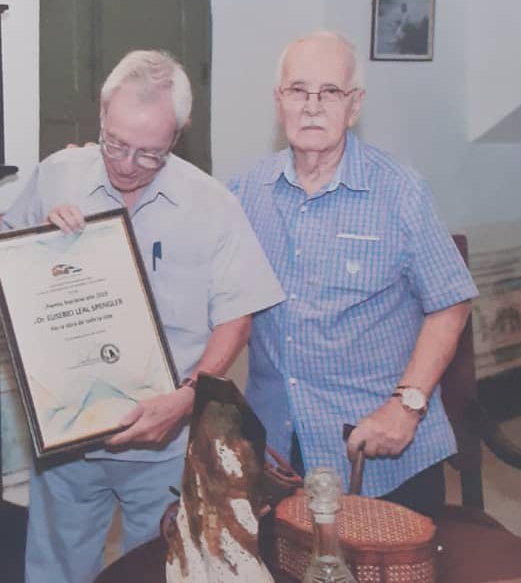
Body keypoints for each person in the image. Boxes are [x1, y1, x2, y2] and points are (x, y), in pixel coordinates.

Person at [1, 49, 285, 583]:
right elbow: (10, 264)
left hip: (167, 442)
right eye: (115, 144)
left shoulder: (213, 205)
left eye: (149, 154)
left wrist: (185, 399)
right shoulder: (58, 174)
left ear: (179, 135)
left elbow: (236, 320)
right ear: (102, 119)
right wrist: (39, 240)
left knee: (156, 571)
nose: (127, 164)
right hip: (67, 443)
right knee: (55, 571)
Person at [229, 31, 478, 516]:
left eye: (330, 93)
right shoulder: (244, 193)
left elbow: (451, 304)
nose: (312, 107)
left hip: (380, 454)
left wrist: (407, 407)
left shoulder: (401, 192)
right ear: (279, 100)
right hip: (278, 453)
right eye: (298, 91)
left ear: (355, 105)